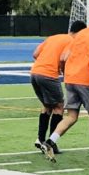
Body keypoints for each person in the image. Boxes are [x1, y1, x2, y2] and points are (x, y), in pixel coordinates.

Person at [44, 6, 89, 162]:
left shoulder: (81, 33)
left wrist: (66, 73)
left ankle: (50, 141)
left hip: (70, 79)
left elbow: (64, 56)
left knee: (72, 116)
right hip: (85, 80)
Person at [30, 21, 79, 154]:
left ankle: (40, 139)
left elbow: (35, 54)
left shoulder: (53, 37)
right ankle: (51, 143)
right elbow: (64, 59)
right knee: (59, 106)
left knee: (47, 105)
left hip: (34, 73)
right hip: (49, 75)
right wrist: (63, 71)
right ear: (79, 33)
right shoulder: (72, 41)